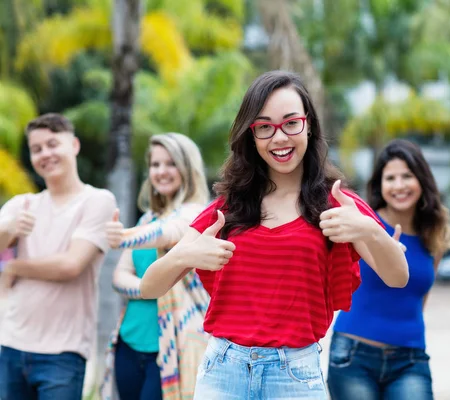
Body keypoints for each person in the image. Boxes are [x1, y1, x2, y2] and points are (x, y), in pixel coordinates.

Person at [139, 70, 410, 399]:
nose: (279, 138)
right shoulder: (227, 208)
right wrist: (185, 255)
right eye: (265, 127)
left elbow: (398, 277)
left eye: (290, 122)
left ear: (308, 124)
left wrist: (370, 230)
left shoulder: (336, 203)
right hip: (222, 372)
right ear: (251, 136)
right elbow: (149, 286)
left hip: (295, 376)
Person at [327, 139, 450, 400]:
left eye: (407, 176)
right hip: (353, 356)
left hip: (410, 358)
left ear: (422, 180)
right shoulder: (363, 224)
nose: (399, 186)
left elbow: (420, 299)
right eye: (390, 178)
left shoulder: (434, 233)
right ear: (380, 184)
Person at [0, 113, 116, 400]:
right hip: (10, 345)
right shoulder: (22, 204)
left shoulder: (97, 201)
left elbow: (70, 265)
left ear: (74, 145)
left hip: (63, 354)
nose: (45, 154)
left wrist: (14, 266)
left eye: (53, 144)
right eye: (37, 149)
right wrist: (8, 231)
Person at [99, 133, 212, 400]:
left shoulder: (196, 213)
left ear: (187, 168)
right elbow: (118, 277)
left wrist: (126, 236)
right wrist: (149, 288)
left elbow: (168, 232)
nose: (161, 172)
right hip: (128, 342)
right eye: (155, 164)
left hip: (172, 347)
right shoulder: (147, 218)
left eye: (170, 163)